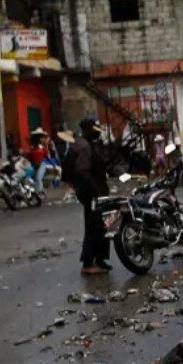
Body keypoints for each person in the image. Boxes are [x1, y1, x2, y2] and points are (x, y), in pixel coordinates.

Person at [69, 118, 111, 275]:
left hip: (95, 192)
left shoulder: (86, 144)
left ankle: (100, 260)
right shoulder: (84, 146)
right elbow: (82, 171)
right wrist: (95, 189)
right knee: (94, 226)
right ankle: (87, 264)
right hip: (92, 193)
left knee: (101, 225)